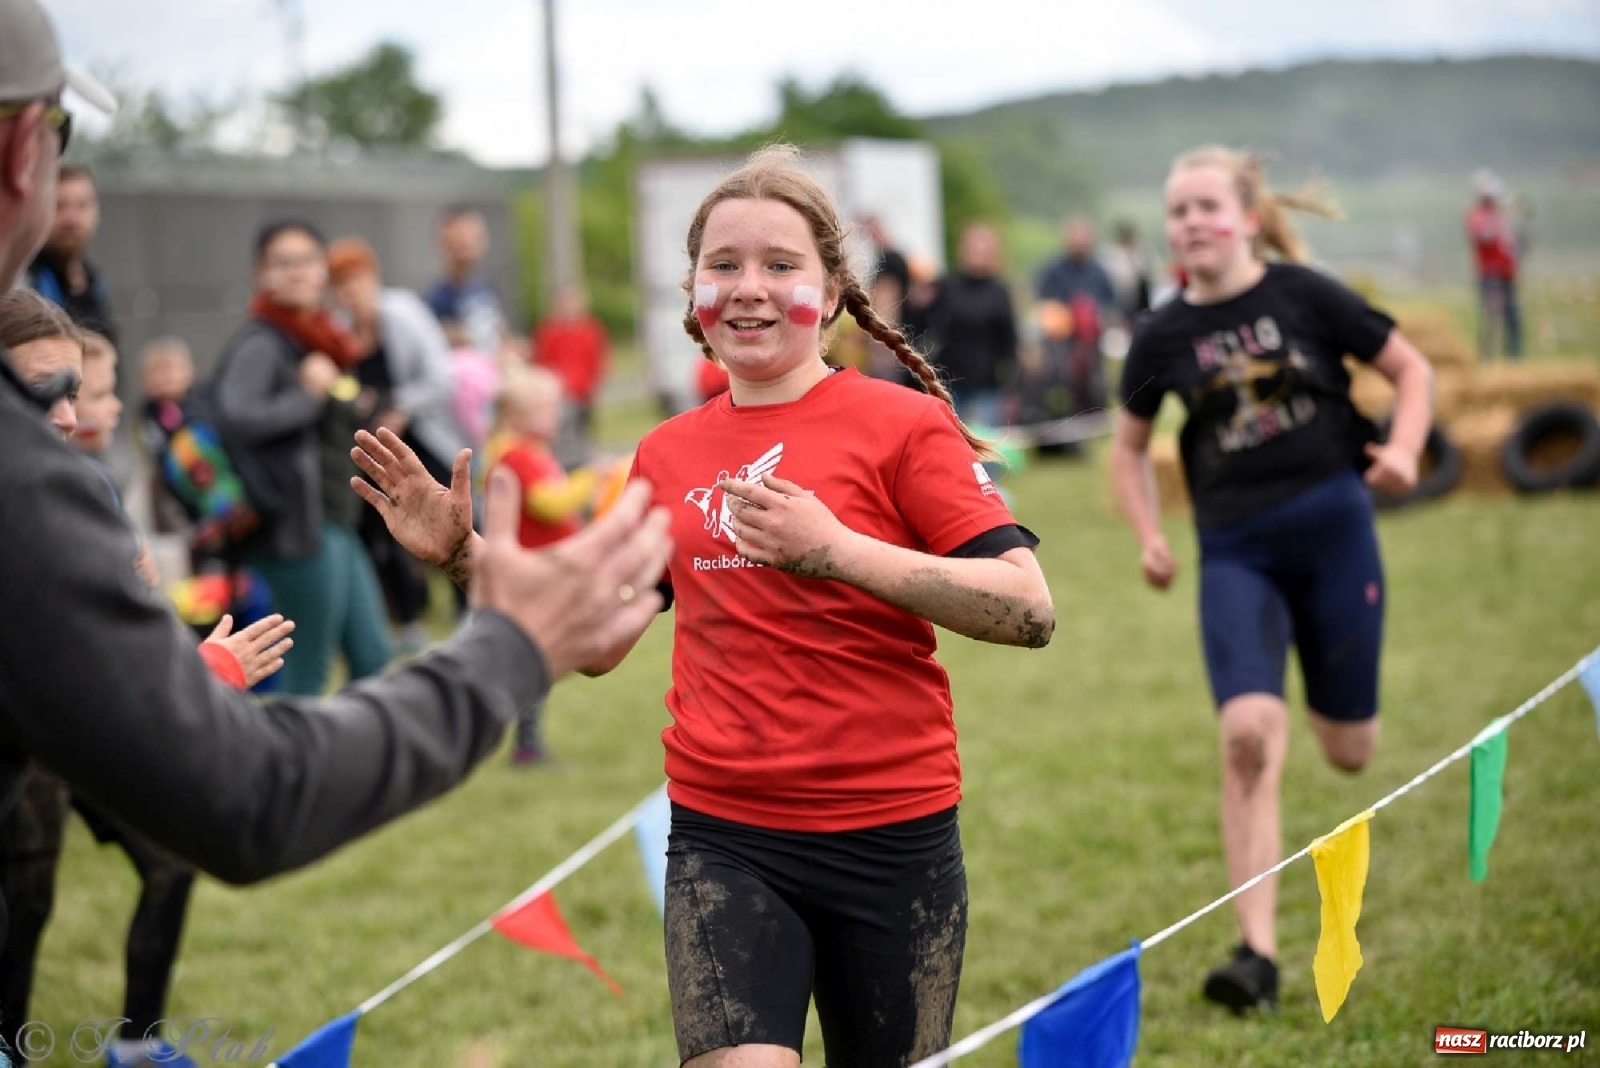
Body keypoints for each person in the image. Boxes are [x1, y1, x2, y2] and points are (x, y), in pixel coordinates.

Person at [356, 145, 1056, 1068]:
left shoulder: (903, 426)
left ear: (834, 286)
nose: (748, 288)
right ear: (693, 294)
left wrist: (838, 552)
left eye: (780, 264)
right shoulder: (665, 454)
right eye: (722, 265)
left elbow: (1028, 608)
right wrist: (461, 553)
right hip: (724, 838)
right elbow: (595, 636)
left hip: (895, 836)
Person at [0, 0, 673, 958]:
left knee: (362, 647)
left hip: (339, 522)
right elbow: (244, 796)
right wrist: (507, 647)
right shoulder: (247, 356)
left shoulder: (329, 341)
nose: (64, 415)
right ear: (28, 149)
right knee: (312, 667)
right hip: (297, 528)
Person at [1107, 146, 1435, 1014]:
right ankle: (1255, 952)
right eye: (1177, 212)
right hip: (1235, 554)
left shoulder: (1305, 295)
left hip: (1336, 537)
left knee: (1348, 750)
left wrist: (1402, 450)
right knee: (1247, 735)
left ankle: (1335, 722)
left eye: (1207, 206)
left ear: (1248, 217)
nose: (1190, 224)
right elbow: (1130, 448)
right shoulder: (1161, 333)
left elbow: (1413, 371)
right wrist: (1148, 534)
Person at [0, 294, 294, 1068]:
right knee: (23, 900)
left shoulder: (87, 489)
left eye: (83, 392)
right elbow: (58, 674)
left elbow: (113, 633)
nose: (75, 414)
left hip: (78, 734)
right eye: (53, 391)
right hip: (40, 743)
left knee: (168, 861)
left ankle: (137, 1045)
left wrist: (180, 662)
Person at [214, 220, 395, 694]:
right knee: (302, 678)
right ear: (262, 274)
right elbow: (236, 418)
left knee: (373, 656)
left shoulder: (318, 338)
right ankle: (282, 769)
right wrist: (308, 396)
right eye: (283, 262)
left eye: (308, 260)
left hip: (336, 522)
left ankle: (358, 766)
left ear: (323, 271)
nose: (297, 272)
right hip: (293, 532)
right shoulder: (261, 342)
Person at [328, 236, 468, 653]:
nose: (349, 294)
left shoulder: (403, 314)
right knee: (383, 533)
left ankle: (467, 611)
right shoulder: (337, 330)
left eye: (355, 282)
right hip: (371, 451)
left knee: (452, 518)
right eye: (340, 286)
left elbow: (441, 380)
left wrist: (399, 408)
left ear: (372, 279)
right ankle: (406, 619)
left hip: (424, 440)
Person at [483, 366, 597, 766]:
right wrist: (590, 480)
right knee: (534, 659)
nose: (555, 417)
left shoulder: (531, 452)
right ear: (516, 415)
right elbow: (549, 504)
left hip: (546, 570)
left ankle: (528, 743)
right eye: (545, 410)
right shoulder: (515, 457)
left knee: (539, 658)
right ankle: (526, 746)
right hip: (532, 573)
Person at [920, 222, 1019, 427]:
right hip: (949, 378)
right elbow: (930, 325)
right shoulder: (947, 286)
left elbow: (1009, 341)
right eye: (973, 247)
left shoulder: (999, 292)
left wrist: (1011, 385)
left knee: (983, 444)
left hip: (986, 383)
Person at [25, 162, 114, 344]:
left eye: (81, 206)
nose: (71, 218)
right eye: (60, 206)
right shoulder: (25, 280)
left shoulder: (94, 282)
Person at [532, 284, 609, 446]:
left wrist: (594, 387)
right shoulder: (550, 330)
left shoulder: (590, 329)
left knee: (582, 431)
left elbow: (597, 359)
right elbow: (542, 360)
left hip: (583, 392)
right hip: (560, 392)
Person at [426, 206, 506, 357]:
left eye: (473, 237)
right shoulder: (437, 297)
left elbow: (497, 335)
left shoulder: (485, 289)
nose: (466, 243)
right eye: (460, 238)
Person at [1465, 169, 1522, 361]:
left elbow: (1511, 244)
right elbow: (1483, 237)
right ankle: (1487, 357)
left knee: (1512, 316)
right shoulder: (1478, 216)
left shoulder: (1501, 215)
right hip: (1491, 274)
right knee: (1491, 316)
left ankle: (1513, 356)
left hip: (1506, 273)